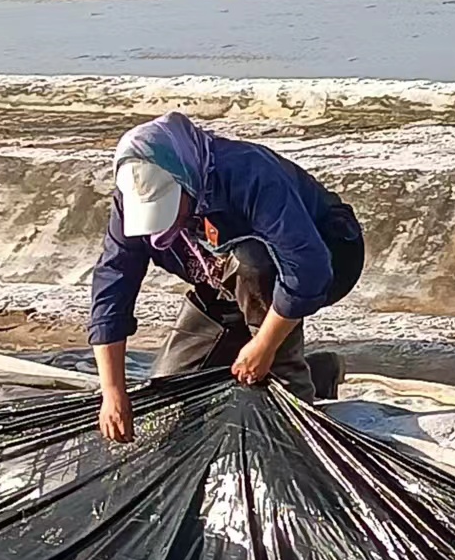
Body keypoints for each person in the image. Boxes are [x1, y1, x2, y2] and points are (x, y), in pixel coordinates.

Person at [90, 112, 364, 443]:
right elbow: (114, 283)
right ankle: (319, 371)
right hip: (223, 275)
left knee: (253, 263)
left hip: (326, 256)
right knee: (169, 398)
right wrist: (112, 391)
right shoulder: (131, 195)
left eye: (169, 206)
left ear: (186, 179)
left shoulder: (248, 173)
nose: (164, 223)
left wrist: (263, 345)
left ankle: (291, 384)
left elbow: (308, 267)